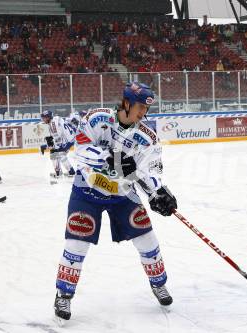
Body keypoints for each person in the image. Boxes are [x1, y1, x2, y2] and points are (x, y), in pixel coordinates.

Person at [53, 82, 177, 325]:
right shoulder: (98, 118)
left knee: (147, 239)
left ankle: (159, 284)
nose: (143, 113)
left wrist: (158, 192)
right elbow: (80, 149)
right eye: (140, 107)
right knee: (77, 243)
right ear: (127, 103)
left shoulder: (147, 137)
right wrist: (111, 158)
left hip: (122, 194)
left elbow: (149, 170)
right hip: (87, 190)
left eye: (147, 109)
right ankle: (63, 294)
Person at [40, 110, 76, 182]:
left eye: (45, 118)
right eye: (43, 118)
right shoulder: (55, 120)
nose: (43, 119)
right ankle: (66, 172)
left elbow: (58, 141)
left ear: (49, 117)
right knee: (57, 153)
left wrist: (46, 146)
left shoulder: (53, 124)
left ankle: (65, 173)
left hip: (68, 140)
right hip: (70, 138)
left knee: (58, 154)